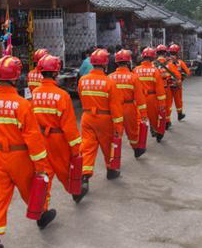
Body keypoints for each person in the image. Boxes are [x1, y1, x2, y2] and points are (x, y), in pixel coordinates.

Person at [0, 55, 55, 248]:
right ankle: (41, 215)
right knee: (32, 189)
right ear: (16, 78)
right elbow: (33, 139)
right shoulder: (23, 105)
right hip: (19, 156)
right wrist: (41, 165)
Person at [32, 55, 85, 203]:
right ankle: (75, 191)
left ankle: (41, 208)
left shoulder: (34, 93)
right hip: (58, 139)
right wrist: (75, 148)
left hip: (40, 140)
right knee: (66, 170)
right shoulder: (62, 95)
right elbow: (69, 126)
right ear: (56, 73)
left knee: (44, 173)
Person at [78, 48, 124, 186]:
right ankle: (111, 171)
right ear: (105, 64)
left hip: (87, 117)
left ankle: (84, 176)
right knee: (108, 146)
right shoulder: (109, 82)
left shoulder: (82, 80)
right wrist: (118, 128)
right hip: (104, 119)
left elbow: (81, 97)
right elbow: (115, 108)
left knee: (87, 147)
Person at [109, 49, 148, 158]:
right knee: (133, 131)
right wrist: (143, 114)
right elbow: (140, 99)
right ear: (128, 62)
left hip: (113, 108)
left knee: (115, 133)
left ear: (116, 63)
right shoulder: (133, 77)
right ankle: (136, 149)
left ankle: (113, 158)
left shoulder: (109, 77)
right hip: (129, 108)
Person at [134, 48, 167, 143]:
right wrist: (162, 103)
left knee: (140, 120)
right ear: (153, 58)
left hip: (139, 99)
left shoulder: (135, 70)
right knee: (154, 118)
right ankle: (157, 132)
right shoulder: (155, 71)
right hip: (151, 98)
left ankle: (139, 141)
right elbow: (160, 89)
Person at [154, 44, 181, 130]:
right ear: (165, 53)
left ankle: (156, 124)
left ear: (157, 53)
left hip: (154, 91)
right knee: (167, 105)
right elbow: (178, 76)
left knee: (156, 107)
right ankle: (166, 122)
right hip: (166, 89)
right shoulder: (169, 64)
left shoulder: (152, 65)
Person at [167, 44, 191, 121]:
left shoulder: (166, 63)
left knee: (168, 103)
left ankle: (167, 121)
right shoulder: (180, 62)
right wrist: (181, 78)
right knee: (178, 101)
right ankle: (179, 114)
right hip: (177, 85)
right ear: (178, 53)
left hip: (168, 86)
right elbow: (188, 73)